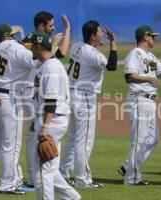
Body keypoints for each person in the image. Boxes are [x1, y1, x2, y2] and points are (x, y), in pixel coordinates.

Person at [118, 25, 161, 185]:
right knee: (138, 140)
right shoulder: (135, 54)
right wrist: (148, 79)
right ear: (146, 37)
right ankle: (132, 178)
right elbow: (129, 76)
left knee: (153, 139)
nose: (154, 38)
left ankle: (128, 167)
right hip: (139, 100)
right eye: (152, 36)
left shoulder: (151, 56)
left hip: (150, 102)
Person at [59, 20, 117, 187]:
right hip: (84, 98)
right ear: (92, 36)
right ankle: (83, 179)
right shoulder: (94, 54)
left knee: (72, 138)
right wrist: (113, 42)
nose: (102, 35)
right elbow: (112, 66)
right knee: (84, 141)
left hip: (71, 95)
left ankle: (63, 173)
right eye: (99, 32)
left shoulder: (76, 46)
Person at [0, 23, 38, 194]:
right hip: (7, 98)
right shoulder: (16, 48)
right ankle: (8, 184)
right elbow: (39, 60)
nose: (14, 37)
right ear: (7, 36)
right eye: (11, 34)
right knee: (11, 144)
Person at [29, 31, 81, 200]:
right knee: (50, 169)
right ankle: (73, 198)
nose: (29, 48)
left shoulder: (51, 67)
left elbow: (51, 101)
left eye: (31, 45)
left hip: (51, 122)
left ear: (38, 46)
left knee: (41, 172)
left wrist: (44, 127)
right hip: (50, 120)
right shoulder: (48, 65)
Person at [24, 11, 71, 188]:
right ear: (41, 26)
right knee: (33, 140)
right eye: (50, 25)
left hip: (42, 97)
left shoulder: (45, 47)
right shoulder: (32, 43)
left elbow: (60, 54)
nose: (53, 28)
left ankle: (40, 179)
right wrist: (54, 44)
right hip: (33, 94)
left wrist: (67, 30)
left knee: (42, 146)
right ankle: (32, 178)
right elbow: (52, 55)